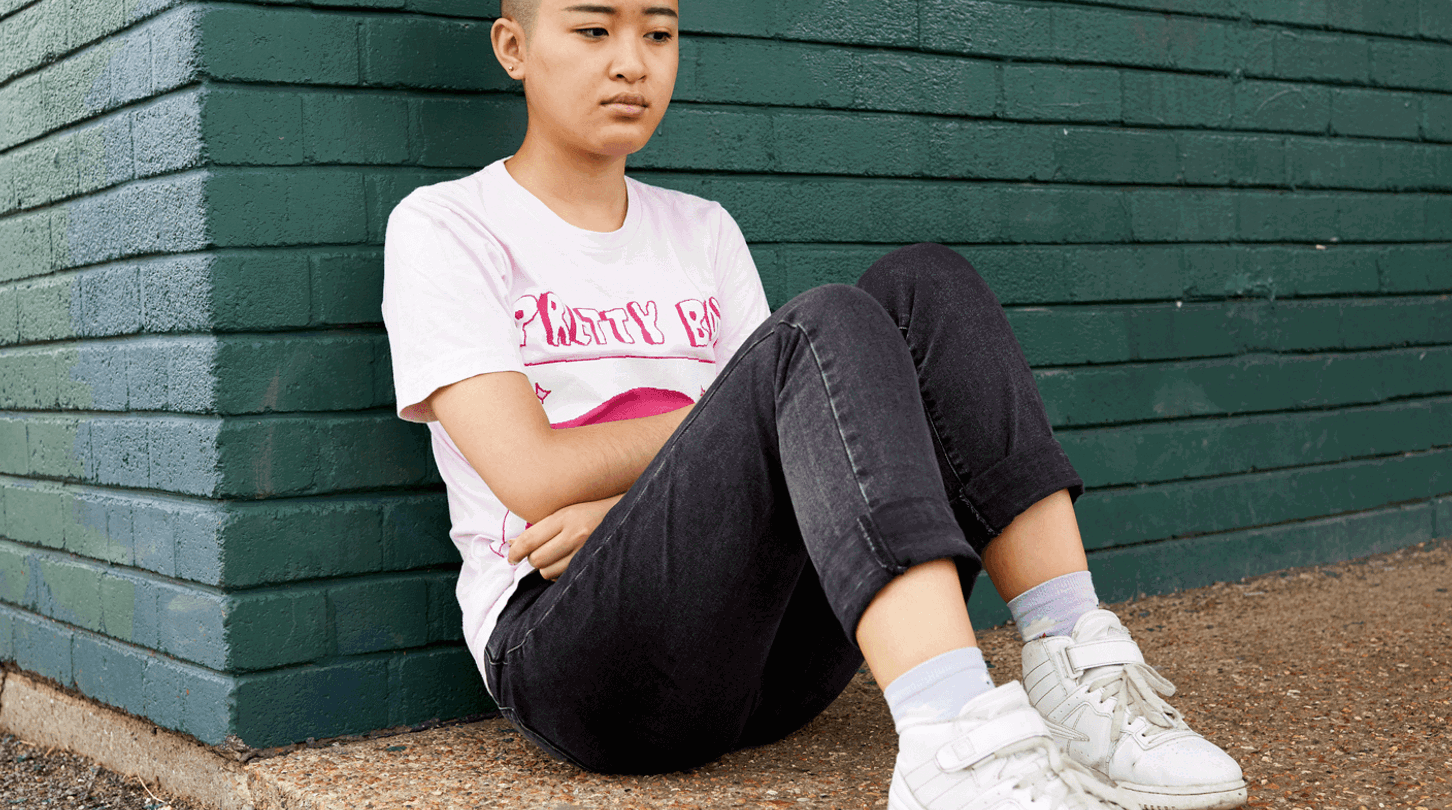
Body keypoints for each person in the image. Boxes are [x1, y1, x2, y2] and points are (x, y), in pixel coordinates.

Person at [379, 2, 1248, 808]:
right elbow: (531, 475)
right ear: (513, 48)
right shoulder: (448, 226)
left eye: (659, 32)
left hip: (768, 662)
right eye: (595, 31)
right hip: (578, 662)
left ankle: (1072, 666)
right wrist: (746, 407)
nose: (632, 65)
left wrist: (628, 502)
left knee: (922, 284)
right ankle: (951, 741)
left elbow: (786, 451)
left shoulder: (702, 229)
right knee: (817, 332)